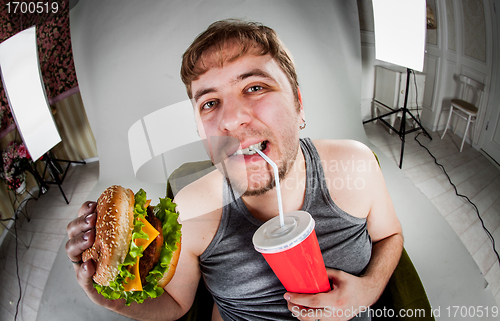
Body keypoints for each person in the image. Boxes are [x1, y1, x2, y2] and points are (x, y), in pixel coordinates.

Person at [66, 19, 403, 321]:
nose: (230, 119)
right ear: (200, 130)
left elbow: (390, 236)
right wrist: (110, 300)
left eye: (254, 87)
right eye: (210, 103)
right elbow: (174, 305)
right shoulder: (191, 210)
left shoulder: (355, 165)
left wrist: (369, 290)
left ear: (298, 104)